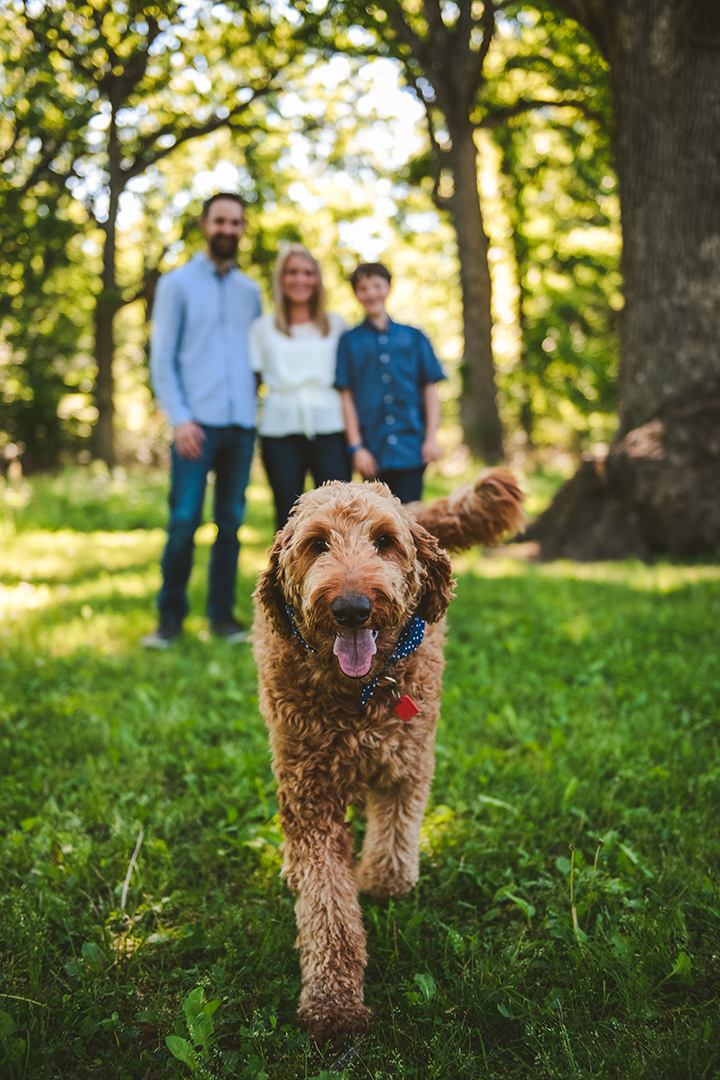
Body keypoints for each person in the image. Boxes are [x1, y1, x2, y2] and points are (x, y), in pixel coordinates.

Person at [142, 192, 261, 648]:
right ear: (204, 224)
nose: (228, 229)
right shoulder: (177, 284)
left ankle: (222, 618)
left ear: (242, 228)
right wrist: (181, 419)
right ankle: (169, 620)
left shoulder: (250, 291)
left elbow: (255, 360)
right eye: (220, 221)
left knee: (230, 523)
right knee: (183, 521)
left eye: (236, 222)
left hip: (241, 425)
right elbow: (163, 359)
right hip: (195, 427)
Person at [250, 244, 351, 531]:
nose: (300, 279)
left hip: (331, 428)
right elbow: (253, 383)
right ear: (281, 278)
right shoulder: (262, 328)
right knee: (287, 515)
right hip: (280, 431)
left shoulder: (336, 324)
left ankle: (340, 575)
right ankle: (286, 576)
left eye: (308, 273)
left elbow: (349, 383)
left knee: (339, 513)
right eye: (292, 272)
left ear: (317, 279)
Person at [335, 262, 445, 504]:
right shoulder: (348, 341)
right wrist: (356, 448)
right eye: (363, 288)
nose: (371, 293)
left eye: (377, 285)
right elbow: (346, 396)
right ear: (356, 294)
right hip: (372, 451)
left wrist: (431, 438)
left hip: (411, 448)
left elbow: (430, 389)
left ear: (388, 287)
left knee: (410, 516)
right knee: (377, 521)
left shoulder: (414, 337)